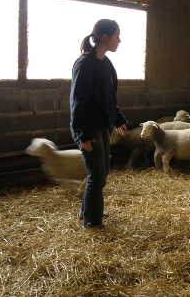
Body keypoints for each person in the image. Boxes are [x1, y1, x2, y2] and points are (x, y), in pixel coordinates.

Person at [70, 19, 128, 229]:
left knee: (102, 173)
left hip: (103, 126)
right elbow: (78, 102)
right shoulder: (85, 64)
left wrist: (117, 118)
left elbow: (108, 97)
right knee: (97, 176)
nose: (119, 41)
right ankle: (92, 221)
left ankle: (88, 210)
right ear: (105, 37)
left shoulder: (105, 63)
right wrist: (82, 134)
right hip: (90, 128)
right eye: (117, 36)